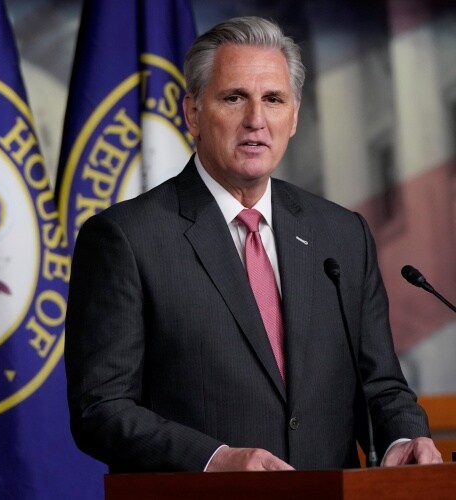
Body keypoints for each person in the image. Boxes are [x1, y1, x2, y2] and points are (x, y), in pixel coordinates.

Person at [64, 16, 442, 472]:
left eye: (273, 99)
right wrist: (215, 459)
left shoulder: (342, 234)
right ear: (193, 113)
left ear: (295, 116)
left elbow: (381, 384)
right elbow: (100, 409)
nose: (256, 120)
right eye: (234, 97)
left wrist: (404, 435)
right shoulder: (127, 238)